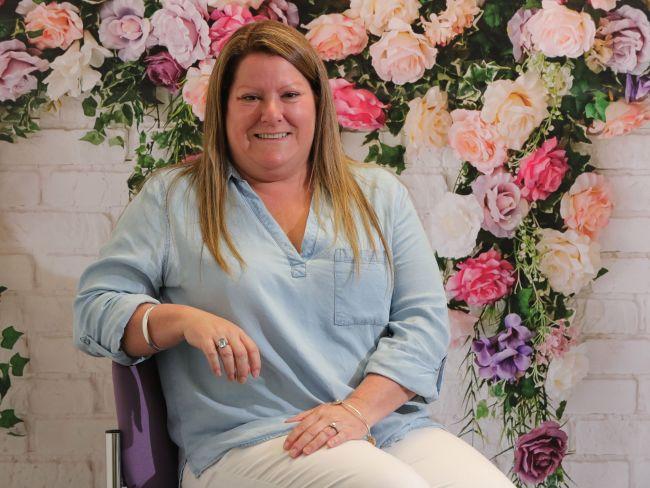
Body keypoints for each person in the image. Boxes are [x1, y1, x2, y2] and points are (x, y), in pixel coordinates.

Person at [74, 20, 514, 488]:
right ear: (221, 109)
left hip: (383, 428)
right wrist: (182, 319)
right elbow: (94, 310)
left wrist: (356, 412)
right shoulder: (173, 199)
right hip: (250, 444)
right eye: (249, 98)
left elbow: (423, 327)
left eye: (289, 95)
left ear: (317, 104)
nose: (271, 114)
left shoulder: (379, 195)